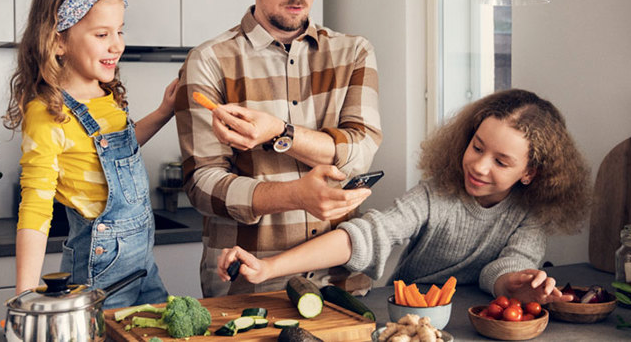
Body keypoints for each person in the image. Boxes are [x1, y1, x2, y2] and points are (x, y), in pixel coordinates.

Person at [176, 0, 382, 297]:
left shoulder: (353, 52)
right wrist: (294, 195)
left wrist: (279, 133)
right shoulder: (209, 60)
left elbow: (360, 152)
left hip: (341, 282)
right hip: (246, 284)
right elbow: (202, 186)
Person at [217, 89, 592, 304]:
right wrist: (269, 268)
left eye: (501, 161)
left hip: (481, 319)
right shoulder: (437, 193)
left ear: (530, 173)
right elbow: (368, 235)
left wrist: (516, 283)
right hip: (415, 314)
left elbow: (508, 267)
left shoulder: (532, 214)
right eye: (477, 147)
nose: (479, 166)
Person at [3, 0, 179, 308]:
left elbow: (120, 150)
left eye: (119, 31)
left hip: (144, 268)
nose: (118, 45)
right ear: (58, 41)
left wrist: (163, 111)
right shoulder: (48, 113)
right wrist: (24, 297)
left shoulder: (105, 95)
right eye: (102, 34)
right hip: (100, 275)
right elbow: (36, 210)